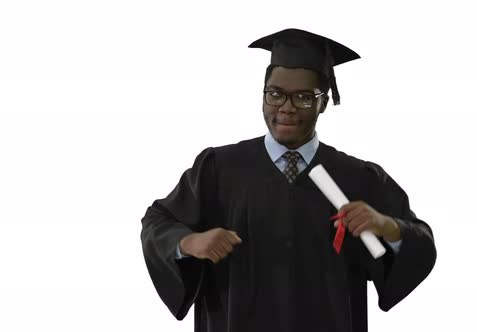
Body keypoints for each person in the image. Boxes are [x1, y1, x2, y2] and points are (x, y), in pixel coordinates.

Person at [140, 28, 436, 332]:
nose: (286, 106)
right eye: (275, 93)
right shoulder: (219, 168)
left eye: (304, 97)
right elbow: (157, 221)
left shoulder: (358, 177)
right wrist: (189, 242)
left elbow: (422, 244)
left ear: (323, 102)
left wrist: (388, 227)